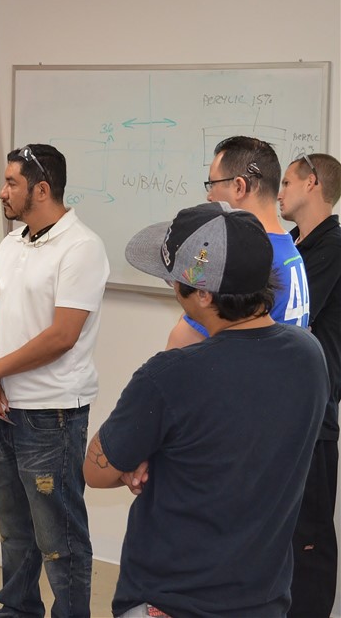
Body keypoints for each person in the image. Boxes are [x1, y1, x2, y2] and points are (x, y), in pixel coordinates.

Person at [85, 201, 328, 618]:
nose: (170, 286)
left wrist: (144, 454)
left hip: (171, 601)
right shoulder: (309, 355)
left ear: (202, 293)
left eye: (174, 278)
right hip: (263, 601)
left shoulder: (170, 376)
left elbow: (96, 470)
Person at [0, 143, 109, 618]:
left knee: (59, 538)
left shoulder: (82, 247)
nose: (2, 192)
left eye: (11, 183)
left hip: (51, 415)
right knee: (14, 530)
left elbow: (62, 336)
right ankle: (16, 610)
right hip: (4, 409)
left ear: (42, 189)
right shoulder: (12, 242)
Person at [166, 135, 308, 348]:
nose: (209, 197)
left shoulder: (244, 257)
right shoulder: (287, 249)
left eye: (212, 184)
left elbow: (183, 341)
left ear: (239, 187)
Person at [280, 152, 341, 617]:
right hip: (282, 413)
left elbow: (287, 316)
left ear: (312, 183)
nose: (278, 193)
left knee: (310, 540)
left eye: (285, 182)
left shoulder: (333, 247)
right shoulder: (292, 244)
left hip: (314, 419)